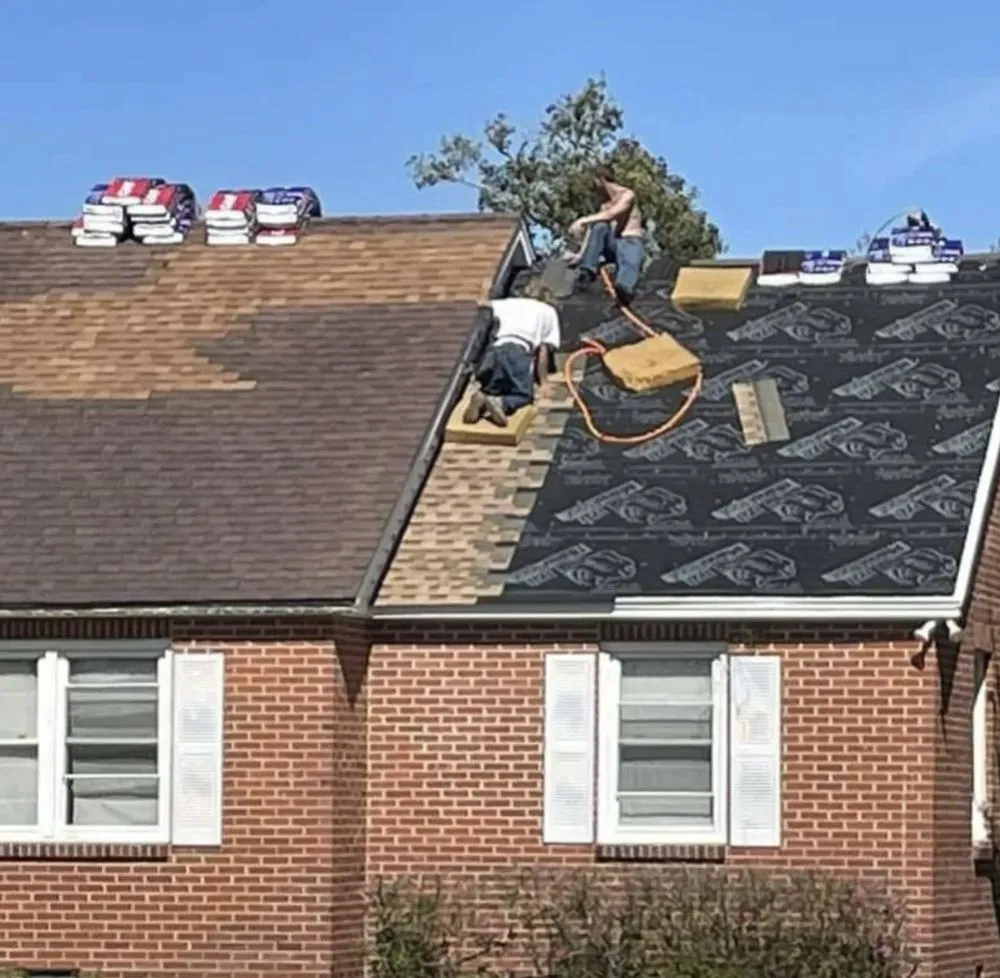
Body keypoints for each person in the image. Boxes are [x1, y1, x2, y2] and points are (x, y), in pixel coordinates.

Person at [464, 279, 561, 428]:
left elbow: (483, 304)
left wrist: (484, 289)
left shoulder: (509, 303)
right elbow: (543, 349)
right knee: (523, 395)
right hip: (518, 351)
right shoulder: (547, 310)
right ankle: (502, 404)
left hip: (494, 351)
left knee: (495, 388)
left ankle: (483, 398)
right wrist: (544, 382)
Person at [566, 166, 644, 305]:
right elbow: (594, 230)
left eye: (594, 183)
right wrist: (581, 254)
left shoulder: (627, 195)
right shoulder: (604, 205)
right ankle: (587, 271)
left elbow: (611, 215)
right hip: (613, 245)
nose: (594, 188)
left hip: (629, 241)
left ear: (600, 180)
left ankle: (624, 288)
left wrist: (582, 220)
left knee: (630, 262)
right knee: (600, 225)